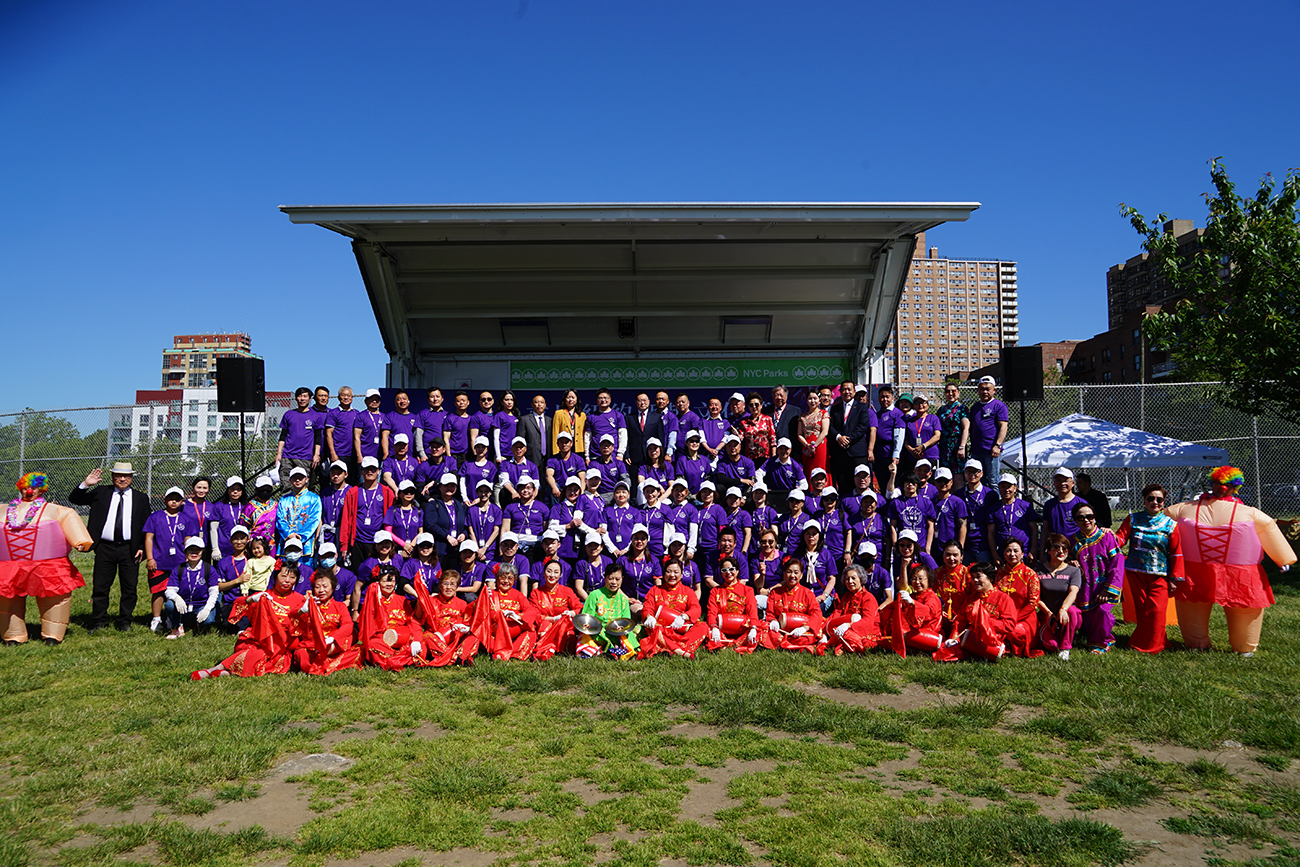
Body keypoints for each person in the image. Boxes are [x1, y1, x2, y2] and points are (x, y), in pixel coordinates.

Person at [1165, 467, 1294, 656]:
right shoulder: (1186, 508)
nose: (1222, 487)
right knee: (1192, 604)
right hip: (1195, 571)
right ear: (1212, 483)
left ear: (1235, 487)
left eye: (1227, 484)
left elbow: (1268, 527)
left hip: (1239, 572)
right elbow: (1161, 521)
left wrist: (1283, 558)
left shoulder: (1248, 512)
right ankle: (1197, 643)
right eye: (1219, 483)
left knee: (1243, 606)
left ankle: (1244, 646)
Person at [1, 472, 92, 645]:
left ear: (41, 489)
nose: (29, 491)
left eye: (33, 488)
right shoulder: (3, 510)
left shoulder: (55, 510)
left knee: (54, 597)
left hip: (48, 565)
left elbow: (69, 519)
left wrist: (80, 542)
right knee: (7, 600)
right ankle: (13, 635)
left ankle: (52, 635)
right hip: (8, 566)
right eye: (25, 488)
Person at [69, 462, 152, 633]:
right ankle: (99, 621)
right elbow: (75, 499)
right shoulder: (101, 492)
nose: (122, 479)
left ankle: (125, 621)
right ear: (113, 477)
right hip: (104, 547)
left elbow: (146, 524)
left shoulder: (140, 498)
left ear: (131, 478)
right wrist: (85, 485)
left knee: (129, 588)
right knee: (100, 587)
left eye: (126, 476)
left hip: (129, 549)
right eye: (118, 475)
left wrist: (141, 547)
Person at [191, 564, 304, 679]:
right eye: (283, 576)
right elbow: (239, 604)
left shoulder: (300, 599)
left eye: (292, 577)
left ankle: (226, 672)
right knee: (255, 651)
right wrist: (251, 599)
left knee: (269, 658)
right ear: (275, 577)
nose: (287, 580)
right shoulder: (264, 595)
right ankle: (216, 669)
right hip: (260, 638)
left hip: (283, 642)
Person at [1114, 483, 1183, 654]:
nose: (1155, 502)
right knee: (1143, 611)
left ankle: (1150, 645)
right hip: (1135, 573)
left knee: (1156, 611)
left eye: (1159, 499)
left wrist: (1175, 578)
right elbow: (1119, 540)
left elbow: (1176, 553)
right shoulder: (1133, 519)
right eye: (1151, 498)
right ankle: (1155, 640)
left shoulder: (1171, 525)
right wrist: (1105, 536)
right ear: (1144, 500)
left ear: (1164, 501)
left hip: (1160, 575)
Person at [933, 561, 1017, 662]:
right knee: (944, 653)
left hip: (992, 640)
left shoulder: (1003, 598)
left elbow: (1009, 624)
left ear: (990, 578)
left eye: (978, 576)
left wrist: (985, 623)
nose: (975, 580)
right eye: (973, 577)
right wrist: (954, 638)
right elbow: (960, 620)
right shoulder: (971, 598)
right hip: (969, 638)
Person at [1070, 501, 1125, 654]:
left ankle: (1100, 643)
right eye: (1081, 517)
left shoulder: (1106, 537)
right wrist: (1070, 563)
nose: (1086, 520)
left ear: (1095, 517)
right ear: (1075, 520)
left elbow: (1117, 564)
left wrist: (1109, 589)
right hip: (1085, 588)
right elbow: (1063, 561)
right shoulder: (1072, 540)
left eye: (1089, 516)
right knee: (1089, 617)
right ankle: (1104, 638)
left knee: (1103, 612)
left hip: (1105, 585)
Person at [143, 486, 196, 633]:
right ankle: (156, 618)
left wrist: (188, 559)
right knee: (158, 591)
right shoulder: (155, 517)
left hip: (178, 562)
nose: (174, 502)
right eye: (171, 499)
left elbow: (188, 541)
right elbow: (148, 538)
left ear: (182, 501)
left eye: (177, 499)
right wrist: (150, 558)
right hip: (159, 561)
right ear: (164, 500)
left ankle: (171, 618)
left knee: (175, 591)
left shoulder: (186, 519)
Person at [293, 570, 361, 675]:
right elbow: (291, 616)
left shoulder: (340, 606)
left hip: (333, 646)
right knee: (301, 654)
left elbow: (348, 625)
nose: (321, 590)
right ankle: (328, 664)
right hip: (312, 646)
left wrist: (332, 638)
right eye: (317, 587)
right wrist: (302, 611)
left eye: (325, 586)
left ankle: (322, 663)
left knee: (358, 651)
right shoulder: (308, 605)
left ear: (333, 588)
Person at [358, 563, 426, 669]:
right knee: (372, 645)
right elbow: (367, 628)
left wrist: (416, 639)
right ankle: (403, 659)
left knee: (422, 647)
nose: (390, 584)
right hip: (382, 641)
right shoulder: (372, 601)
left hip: (402, 639)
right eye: (386, 581)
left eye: (392, 581)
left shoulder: (402, 600)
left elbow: (412, 621)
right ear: (378, 582)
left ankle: (396, 659)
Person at [639, 559, 709, 659]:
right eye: (668, 571)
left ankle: (669, 648)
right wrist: (649, 617)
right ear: (664, 574)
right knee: (654, 629)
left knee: (703, 626)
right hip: (662, 628)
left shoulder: (688, 591)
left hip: (681, 630)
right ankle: (681, 651)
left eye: (676, 572)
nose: (672, 575)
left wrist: (684, 617)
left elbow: (696, 608)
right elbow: (647, 607)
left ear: (681, 575)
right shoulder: (655, 590)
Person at [468, 561, 538, 661]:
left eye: (510, 578)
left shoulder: (518, 595)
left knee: (531, 632)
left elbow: (531, 612)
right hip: (495, 635)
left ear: (514, 580)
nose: (506, 581)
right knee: (481, 634)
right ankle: (505, 652)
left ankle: (503, 654)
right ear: (496, 578)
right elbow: (473, 610)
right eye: (502, 577)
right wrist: (482, 599)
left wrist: (518, 616)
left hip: (514, 633)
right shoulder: (490, 594)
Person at [760, 558, 826, 653]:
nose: (792, 576)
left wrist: (804, 628)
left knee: (806, 637)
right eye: (789, 572)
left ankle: (784, 644)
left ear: (801, 575)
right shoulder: (774, 593)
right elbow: (770, 613)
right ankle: (790, 644)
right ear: (784, 574)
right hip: (780, 630)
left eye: (796, 572)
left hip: (800, 631)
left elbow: (816, 613)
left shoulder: (807, 593)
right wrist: (773, 621)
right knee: (763, 630)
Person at [1035, 533, 1083, 660]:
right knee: (1051, 646)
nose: (1061, 551)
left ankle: (1065, 647)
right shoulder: (1038, 569)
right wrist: (1048, 613)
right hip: (1047, 615)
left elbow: (1073, 592)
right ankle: (1056, 638)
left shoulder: (1074, 570)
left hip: (1068, 615)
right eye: (1056, 547)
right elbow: (1035, 596)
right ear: (1048, 550)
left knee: (1072, 611)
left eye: (1065, 548)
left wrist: (1063, 609)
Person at [162, 536, 219, 639]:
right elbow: (169, 590)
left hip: (201, 605)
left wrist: (206, 609)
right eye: (190, 550)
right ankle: (177, 627)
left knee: (209, 620)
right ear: (185, 551)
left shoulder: (209, 569)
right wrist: (177, 598)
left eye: (197, 550)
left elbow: (214, 593)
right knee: (169, 605)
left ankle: (199, 625)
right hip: (183, 606)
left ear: (202, 551)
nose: (194, 553)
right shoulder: (179, 569)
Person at [576, 564, 638, 659]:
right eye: (610, 579)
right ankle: (608, 650)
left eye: (617, 579)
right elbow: (587, 618)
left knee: (631, 634)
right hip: (599, 632)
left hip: (617, 632)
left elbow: (626, 620)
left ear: (622, 579)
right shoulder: (594, 595)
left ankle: (616, 651)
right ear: (605, 578)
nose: (614, 582)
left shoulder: (623, 599)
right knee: (587, 635)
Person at [880, 564, 943, 655]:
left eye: (920, 579)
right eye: (914, 579)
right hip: (913, 631)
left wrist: (912, 603)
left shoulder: (931, 597)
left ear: (929, 580)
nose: (917, 582)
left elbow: (928, 612)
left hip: (927, 634)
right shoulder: (914, 596)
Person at [993, 538, 1041, 657]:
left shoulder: (1030, 574)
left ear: (1022, 554)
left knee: (1014, 632)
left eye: (1016, 551)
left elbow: (1033, 603)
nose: (1012, 554)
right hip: (1002, 616)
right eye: (1008, 551)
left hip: (1024, 618)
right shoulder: (999, 573)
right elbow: (994, 596)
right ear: (1004, 554)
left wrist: (1014, 619)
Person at [704, 556, 760, 654]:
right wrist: (714, 627)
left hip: (742, 629)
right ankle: (735, 643)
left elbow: (752, 611)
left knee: (762, 629)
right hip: (721, 629)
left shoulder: (748, 590)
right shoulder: (715, 591)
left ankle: (726, 644)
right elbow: (711, 612)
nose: (728, 573)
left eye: (731, 569)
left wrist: (753, 628)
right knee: (704, 628)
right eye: (724, 570)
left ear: (737, 571)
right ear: (721, 573)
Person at [417, 571, 474, 666]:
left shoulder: (462, 604)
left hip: (455, 640)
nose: (449, 587)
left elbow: (467, 623)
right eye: (445, 584)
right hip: (436, 639)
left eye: (452, 584)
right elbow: (417, 619)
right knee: (427, 636)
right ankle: (456, 658)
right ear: (440, 586)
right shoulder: (430, 601)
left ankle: (451, 656)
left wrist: (466, 628)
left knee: (474, 635)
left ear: (457, 587)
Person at [823, 564, 881, 655]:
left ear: (861, 579)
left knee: (846, 634)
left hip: (865, 631)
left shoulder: (868, 598)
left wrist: (849, 625)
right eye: (847, 579)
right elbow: (837, 613)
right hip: (845, 628)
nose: (850, 581)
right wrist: (824, 629)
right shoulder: (846, 596)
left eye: (853, 578)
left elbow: (868, 621)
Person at [530, 559, 582, 660]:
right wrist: (553, 619)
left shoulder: (567, 591)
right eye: (549, 571)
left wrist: (571, 613)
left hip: (563, 626)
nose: (552, 575)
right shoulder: (536, 593)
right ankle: (547, 650)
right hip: (544, 627)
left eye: (556, 572)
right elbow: (534, 614)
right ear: (544, 573)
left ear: (560, 575)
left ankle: (553, 649)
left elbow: (579, 607)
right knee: (545, 625)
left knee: (570, 637)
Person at [277, 388, 321, 493]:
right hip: (288, 456)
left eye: (305, 396)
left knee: (303, 487)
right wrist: (279, 453)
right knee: (286, 485)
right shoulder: (288, 414)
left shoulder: (315, 416)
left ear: (309, 399)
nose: (302, 399)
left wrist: (316, 454)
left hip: (305, 457)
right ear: (296, 398)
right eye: (300, 396)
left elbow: (318, 437)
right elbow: (283, 436)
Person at [987, 474, 1038, 565]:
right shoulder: (993, 509)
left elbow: (1034, 529)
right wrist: (995, 555)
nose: (1006, 490)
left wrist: (1033, 550)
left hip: (1023, 554)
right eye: (1003, 486)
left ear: (1015, 488)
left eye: (1009, 487)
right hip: (1004, 554)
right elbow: (991, 533)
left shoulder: (1025, 506)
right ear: (999, 488)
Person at [276, 467, 322, 568]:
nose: (297, 480)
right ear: (290, 480)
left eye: (300, 478)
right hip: (286, 541)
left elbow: (314, 520)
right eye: (294, 478)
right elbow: (280, 519)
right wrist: (289, 534)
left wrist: (300, 536)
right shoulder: (284, 499)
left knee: (305, 572)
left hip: (305, 543)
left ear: (306, 479)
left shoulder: (314, 499)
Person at [967, 376, 1009, 484]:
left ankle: (995, 496)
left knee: (993, 481)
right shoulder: (975, 407)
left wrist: (998, 445)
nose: (985, 392)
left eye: (988, 389)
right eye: (982, 389)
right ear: (978, 390)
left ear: (994, 390)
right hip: (976, 451)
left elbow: (1003, 426)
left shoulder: (999, 406)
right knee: (978, 481)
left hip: (991, 451)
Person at [791, 522, 837, 615]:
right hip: (803, 594)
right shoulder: (798, 554)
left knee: (817, 610)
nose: (811, 537)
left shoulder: (826, 554)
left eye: (814, 533)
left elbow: (832, 578)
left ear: (819, 536)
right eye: (808, 533)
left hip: (822, 593)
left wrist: (824, 595)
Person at [424, 473, 469, 565]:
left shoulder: (460, 505)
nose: (449, 488)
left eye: (452, 486)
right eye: (446, 485)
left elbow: (467, 524)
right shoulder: (433, 504)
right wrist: (447, 536)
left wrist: (464, 534)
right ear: (440, 487)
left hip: (457, 552)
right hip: (440, 550)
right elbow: (430, 525)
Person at [888, 472, 936, 553]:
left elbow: (930, 526)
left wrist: (928, 547)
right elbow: (893, 526)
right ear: (902, 485)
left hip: (921, 545)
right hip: (903, 547)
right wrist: (895, 545)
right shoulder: (896, 503)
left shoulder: (926, 502)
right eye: (907, 482)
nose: (910, 485)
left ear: (917, 484)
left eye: (913, 482)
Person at [872, 385, 906, 494]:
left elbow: (899, 436)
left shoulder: (897, 414)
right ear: (878, 399)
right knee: (881, 483)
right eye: (882, 397)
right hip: (879, 454)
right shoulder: (877, 414)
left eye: (887, 397)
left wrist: (896, 454)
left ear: (892, 398)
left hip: (890, 454)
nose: (885, 399)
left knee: (893, 484)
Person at [1041, 468, 1086, 549]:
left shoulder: (1081, 503)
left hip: (1077, 548)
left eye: (1066, 481)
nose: (1062, 484)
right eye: (1058, 480)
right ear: (1054, 483)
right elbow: (1045, 529)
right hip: (1056, 549)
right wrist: (1042, 552)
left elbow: (1089, 527)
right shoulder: (1049, 505)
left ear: (1072, 483)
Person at [929, 468, 968, 558]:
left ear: (951, 482)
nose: (943, 484)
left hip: (951, 551)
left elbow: (963, 526)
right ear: (935, 482)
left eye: (946, 481)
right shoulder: (931, 502)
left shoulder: (957, 502)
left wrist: (960, 550)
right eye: (940, 481)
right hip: (934, 548)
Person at [626, 391, 666, 476]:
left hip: (652, 456)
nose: (642, 403)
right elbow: (626, 438)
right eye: (640, 400)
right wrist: (627, 454)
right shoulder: (629, 418)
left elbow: (661, 438)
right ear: (636, 402)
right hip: (635, 457)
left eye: (644, 400)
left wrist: (661, 455)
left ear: (649, 401)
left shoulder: (656, 417)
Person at [902, 394, 941, 481]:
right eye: (917, 403)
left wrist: (923, 446)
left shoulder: (933, 418)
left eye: (923, 403)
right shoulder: (909, 421)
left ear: (927, 404)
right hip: (914, 457)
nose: (920, 405)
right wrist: (911, 449)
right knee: (914, 481)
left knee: (931, 481)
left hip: (930, 455)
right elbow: (905, 439)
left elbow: (937, 436)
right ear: (913, 406)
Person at [324, 386, 359, 485]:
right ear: (339, 397)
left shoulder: (357, 413)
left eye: (348, 395)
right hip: (339, 454)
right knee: (337, 482)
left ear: (352, 398)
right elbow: (328, 434)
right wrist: (333, 453)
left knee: (352, 482)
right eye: (343, 395)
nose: (346, 398)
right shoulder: (333, 413)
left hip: (353, 454)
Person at [936, 383, 970, 480]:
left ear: (958, 393)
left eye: (953, 391)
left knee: (957, 476)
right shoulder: (941, 410)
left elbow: (966, 428)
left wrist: (962, 447)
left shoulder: (962, 409)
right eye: (948, 391)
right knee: (945, 476)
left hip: (956, 446)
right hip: (944, 447)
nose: (950, 393)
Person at [932, 541, 970, 628]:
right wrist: (938, 610)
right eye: (948, 555)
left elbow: (973, 598)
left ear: (961, 556)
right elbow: (931, 594)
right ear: (943, 556)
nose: (951, 558)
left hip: (964, 617)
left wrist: (962, 614)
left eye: (955, 555)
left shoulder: (967, 574)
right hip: (941, 615)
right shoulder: (938, 573)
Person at [586, 388, 627, 464]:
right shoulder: (591, 417)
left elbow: (623, 436)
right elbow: (587, 438)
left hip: (613, 456)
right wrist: (587, 456)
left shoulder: (618, 415)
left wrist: (620, 454)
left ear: (610, 399)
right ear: (597, 400)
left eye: (605, 398)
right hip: (595, 456)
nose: (603, 400)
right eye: (600, 398)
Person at [797, 386, 831, 478]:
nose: (812, 401)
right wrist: (807, 446)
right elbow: (799, 434)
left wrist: (814, 446)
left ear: (819, 400)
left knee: (820, 469)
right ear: (806, 400)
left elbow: (825, 432)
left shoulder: (823, 414)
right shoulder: (802, 416)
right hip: (806, 446)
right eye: (810, 398)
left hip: (819, 446)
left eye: (815, 398)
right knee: (808, 470)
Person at [736, 391, 777, 465]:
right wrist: (736, 435)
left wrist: (773, 457)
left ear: (761, 405)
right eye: (751, 405)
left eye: (756, 404)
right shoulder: (744, 422)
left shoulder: (767, 419)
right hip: (750, 458)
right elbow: (741, 439)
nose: (754, 407)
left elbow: (773, 440)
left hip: (765, 458)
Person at [497, 437, 539, 507]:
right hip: (511, 493)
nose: (518, 449)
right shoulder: (504, 464)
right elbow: (504, 481)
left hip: (527, 494)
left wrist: (531, 498)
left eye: (521, 447)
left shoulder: (532, 466)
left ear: (525, 449)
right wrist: (513, 492)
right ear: (511, 449)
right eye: (516, 447)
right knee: (503, 492)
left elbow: (536, 485)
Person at [545, 431, 586, 503]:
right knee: (550, 487)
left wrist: (582, 492)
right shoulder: (552, 460)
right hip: (559, 490)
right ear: (557, 444)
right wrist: (554, 487)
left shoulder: (578, 459)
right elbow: (549, 475)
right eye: (561, 442)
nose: (564, 444)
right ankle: (556, 508)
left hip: (573, 489)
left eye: (566, 442)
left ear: (571, 443)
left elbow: (582, 479)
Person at [354, 388, 390, 465]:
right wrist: (359, 455)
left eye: (377, 399)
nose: (374, 402)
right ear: (365, 401)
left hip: (380, 456)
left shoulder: (384, 417)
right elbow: (357, 437)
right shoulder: (361, 416)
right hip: (365, 455)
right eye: (371, 399)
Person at [243, 475, 279, 551]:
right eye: (262, 489)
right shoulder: (250, 507)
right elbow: (243, 526)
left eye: (267, 489)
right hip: (255, 546)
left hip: (272, 544)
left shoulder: (276, 506)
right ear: (256, 490)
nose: (265, 491)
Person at [415, 387, 449, 465]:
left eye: (437, 396)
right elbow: (418, 435)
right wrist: (422, 454)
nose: (435, 399)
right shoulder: (422, 414)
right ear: (428, 399)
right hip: (428, 455)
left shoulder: (448, 415)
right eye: (432, 397)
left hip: (444, 455)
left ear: (442, 399)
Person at [521, 394, 551, 478]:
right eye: (536, 402)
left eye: (542, 402)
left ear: (545, 405)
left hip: (547, 458)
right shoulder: (525, 420)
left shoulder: (550, 420)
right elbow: (521, 440)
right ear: (532, 404)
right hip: (531, 457)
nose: (539, 404)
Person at [551, 389, 587, 458]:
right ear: (565, 399)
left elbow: (584, 434)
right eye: (568, 397)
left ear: (577, 399)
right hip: (564, 446)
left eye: (573, 397)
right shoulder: (559, 413)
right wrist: (556, 451)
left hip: (578, 448)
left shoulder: (582, 415)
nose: (570, 400)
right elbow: (555, 433)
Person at [673, 430, 711, 494]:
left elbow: (708, 480)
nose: (695, 443)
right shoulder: (681, 461)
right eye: (692, 441)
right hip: (687, 496)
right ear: (686, 443)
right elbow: (681, 482)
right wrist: (691, 497)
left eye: (697, 441)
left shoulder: (705, 460)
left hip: (702, 497)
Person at [384, 390, 418, 459]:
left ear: (408, 401)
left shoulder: (415, 417)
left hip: (411, 456)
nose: (402, 401)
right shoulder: (389, 417)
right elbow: (385, 436)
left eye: (404, 399)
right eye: (399, 399)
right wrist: (386, 453)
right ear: (395, 402)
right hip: (394, 456)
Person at [491, 391, 520, 464]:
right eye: (507, 400)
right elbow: (496, 437)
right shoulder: (499, 415)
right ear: (502, 402)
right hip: (503, 454)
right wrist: (498, 455)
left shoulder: (515, 416)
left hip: (514, 454)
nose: (509, 402)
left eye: (511, 400)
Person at [445, 391, 473, 464]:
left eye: (463, 400)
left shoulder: (472, 419)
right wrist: (449, 456)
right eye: (458, 401)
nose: (461, 403)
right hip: (454, 456)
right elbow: (446, 439)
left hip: (468, 456)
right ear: (455, 403)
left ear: (468, 402)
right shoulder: (450, 418)